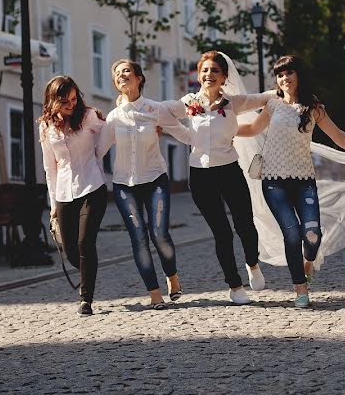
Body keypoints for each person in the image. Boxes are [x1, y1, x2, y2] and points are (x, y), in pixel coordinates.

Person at [238, 55, 345, 308]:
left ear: (299, 75)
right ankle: (300, 289)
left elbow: (338, 136)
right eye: (280, 75)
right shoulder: (272, 105)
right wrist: (221, 129)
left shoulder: (314, 108)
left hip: (304, 181)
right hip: (274, 182)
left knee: (312, 234)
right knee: (291, 233)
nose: (284, 78)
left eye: (289, 73)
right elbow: (252, 129)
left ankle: (308, 262)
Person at [160, 51, 274, 305]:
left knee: (245, 224)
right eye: (205, 70)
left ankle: (252, 264)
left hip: (230, 169)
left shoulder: (233, 103)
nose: (209, 75)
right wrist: (186, 136)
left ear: (224, 77)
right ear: (199, 75)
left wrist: (288, 91)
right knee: (222, 233)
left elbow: (264, 98)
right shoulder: (188, 102)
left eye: (214, 71)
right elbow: (164, 113)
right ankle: (234, 285)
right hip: (200, 176)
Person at [98, 59, 188, 310]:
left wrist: (210, 143)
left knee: (159, 233)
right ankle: (155, 294)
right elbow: (97, 151)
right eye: (117, 73)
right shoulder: (113, 118)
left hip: (155, 179)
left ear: (139, 78)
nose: (121, 75)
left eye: (126, 71)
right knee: (138, 239)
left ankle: (172, 276)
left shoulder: (155, 109)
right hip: (124, 185)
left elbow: (181, 132)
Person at [38, 75, 108, 316]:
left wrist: (99, 154)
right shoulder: (46, 127)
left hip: (93, 187)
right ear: (52, 100)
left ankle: (85, 299)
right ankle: (90, 269)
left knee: (84, 242)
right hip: (64, 192)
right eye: (65, 100)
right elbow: (50, 168)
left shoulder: (89, 116)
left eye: (74, 98)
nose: (71, 104)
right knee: (70, 251)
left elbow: (111, 132)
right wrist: (53, 204)